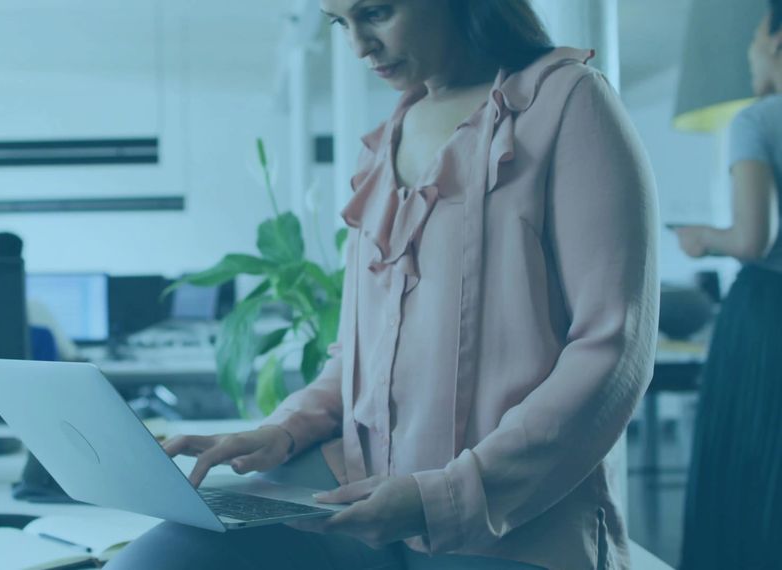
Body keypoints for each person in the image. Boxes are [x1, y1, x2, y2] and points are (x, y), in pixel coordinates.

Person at [107, 1, 658, 568]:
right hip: (360, 489)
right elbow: (359, 354)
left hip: (512, 517)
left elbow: (611, 351)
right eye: (339, 22)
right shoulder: (388, 135)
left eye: (375, 12)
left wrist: (444, 497)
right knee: (151, 561)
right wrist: (283, 429)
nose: (357, 46)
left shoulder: (570, 103)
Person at [674, 2, 782, 568]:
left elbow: (753, 239)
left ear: (776, 41)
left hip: (767, 318)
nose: (749, 55)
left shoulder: (757, 122)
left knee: (752, 462)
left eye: (753, 41)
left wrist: (701, 239)